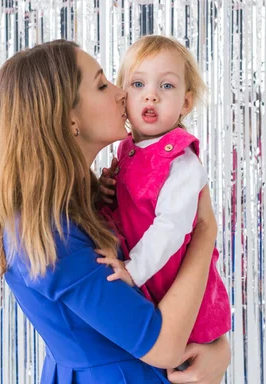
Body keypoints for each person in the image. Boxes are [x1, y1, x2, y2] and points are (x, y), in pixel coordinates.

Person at [0, 39, 230, 383]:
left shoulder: (93, 197)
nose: (122, 93)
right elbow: (163, 346)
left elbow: (165, 293)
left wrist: (218, 350)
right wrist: (204, 230)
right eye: (101, 84)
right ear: (69, 121)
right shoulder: (50, 234)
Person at [98, 35, 231, 348]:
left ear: (186, 102)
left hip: (169, 282)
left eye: (166, 86)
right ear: (123, 97)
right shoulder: (126, 149)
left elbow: (171, 226)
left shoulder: (181, 161)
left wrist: (133, 271)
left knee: (179, 360)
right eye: (138, 85)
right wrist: (105, 192)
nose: (151, 97)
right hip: (146, 286)